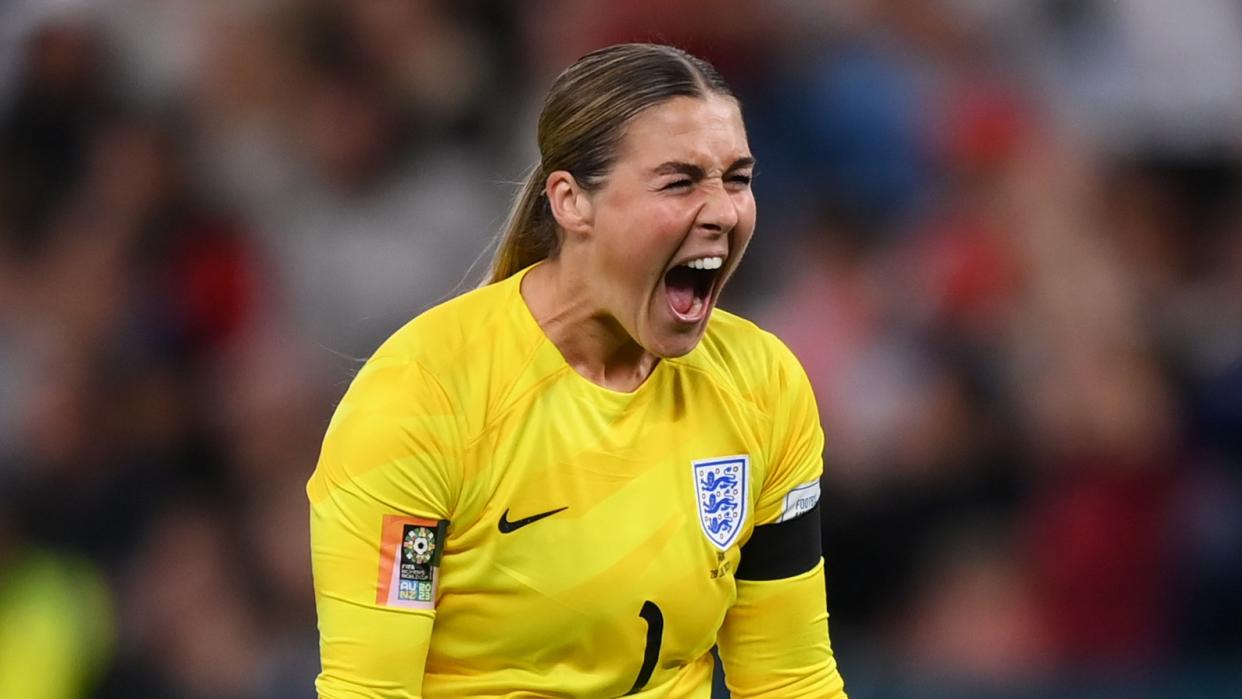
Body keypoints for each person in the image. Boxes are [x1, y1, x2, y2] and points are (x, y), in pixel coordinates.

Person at [308, 43, 848, 698]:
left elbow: (791, 679)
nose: (723, 210)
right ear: (570, 202)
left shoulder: (762, 385)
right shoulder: (424, 397)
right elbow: (370, 690)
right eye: (680, 181)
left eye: (737, 179)